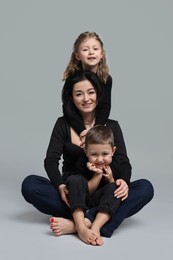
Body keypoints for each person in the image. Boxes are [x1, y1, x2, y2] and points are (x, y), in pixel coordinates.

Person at [21, 70, 154, 245]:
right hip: (72, 190)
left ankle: (80, 224)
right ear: (71, 97)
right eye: (79, 94)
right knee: (30, 185)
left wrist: (123, 182)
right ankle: (96, 217)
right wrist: (60, 186)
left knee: (145, 188)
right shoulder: (63, 124)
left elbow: (123, 161)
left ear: (98, 94)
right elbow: (50, 161)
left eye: (91, 92)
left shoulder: (112, 126)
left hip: (105, 191)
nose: (86, 98)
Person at [65, 125, 121, 245]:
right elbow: (84, 193)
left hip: (102, 203)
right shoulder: (82, 162)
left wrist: (110, 178)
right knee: (74, 180)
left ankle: (96, 226)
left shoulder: (115, 165)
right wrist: (98, 175)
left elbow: (114, 195)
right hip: (80, 201)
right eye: (94, 154)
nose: (100, 159)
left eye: (105, 154)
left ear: (113, 151)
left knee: (117, 186)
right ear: (86, 151)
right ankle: (81, 227)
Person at [62, 31, 112, 145]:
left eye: (95, 49)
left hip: (96, 123)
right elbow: (67, 108)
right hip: (77, 124)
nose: (91, 52)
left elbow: (106, 106)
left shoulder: (106, 79)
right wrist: (82, 131)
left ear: (102, 54)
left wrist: (94, 130)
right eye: (85, 49)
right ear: (77, 55)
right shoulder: (72, 79)